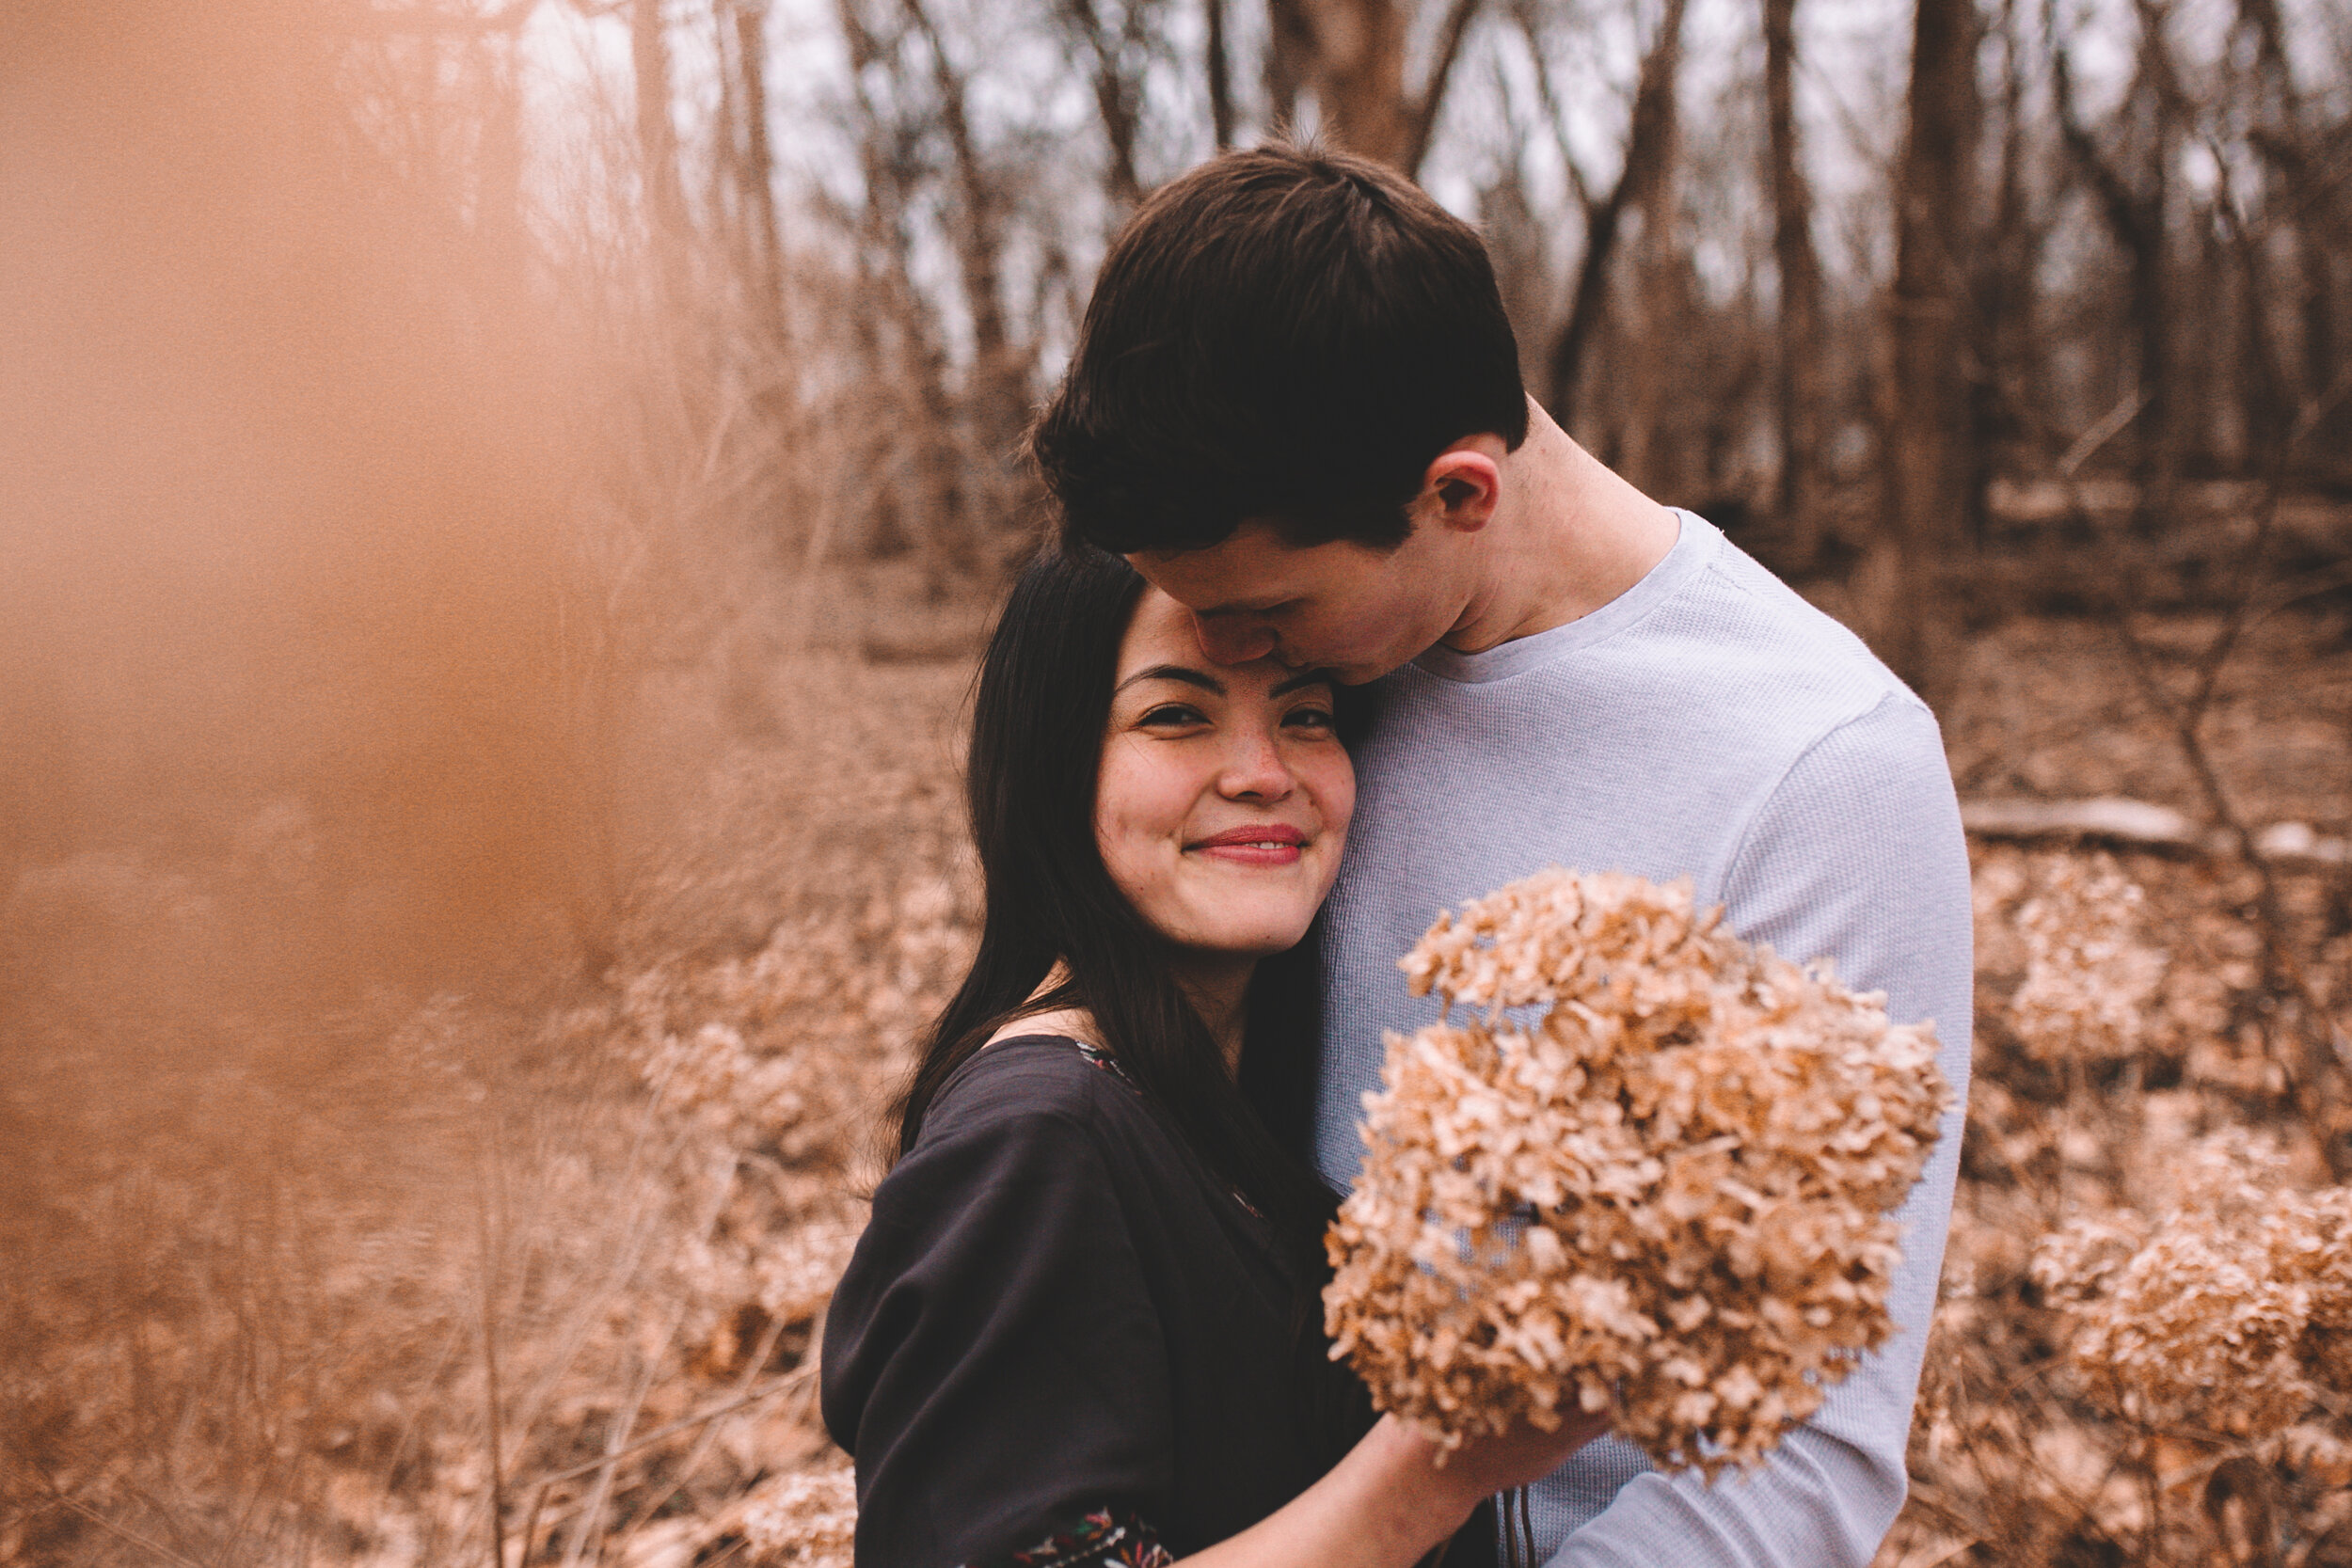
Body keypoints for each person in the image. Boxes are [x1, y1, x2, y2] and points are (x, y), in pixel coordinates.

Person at [1029, 143, 1975, 1568]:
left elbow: (1805, 1449)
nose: (1226, 652)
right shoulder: (1300, 705)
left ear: (1460, 493)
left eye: (1268, 608)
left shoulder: (1824, 764)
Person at [820, 544, 1601, 1567]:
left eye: (1304, 714)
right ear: (1053, 764)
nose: (1263, 772)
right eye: (1176, 715)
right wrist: (1442, 1462)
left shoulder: (1238, 1096)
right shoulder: (1035, 1139)